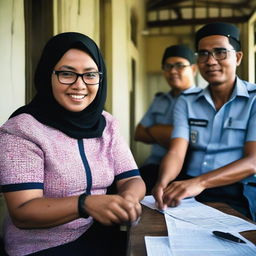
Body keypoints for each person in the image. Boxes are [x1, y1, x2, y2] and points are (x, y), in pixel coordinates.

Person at [0, 32, 146, 256]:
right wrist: (85, 204)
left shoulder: (107, 124)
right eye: (67, 74)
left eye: (90, 75)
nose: (80, 85)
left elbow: (131, 178)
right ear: (47, 75)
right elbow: (23, 212)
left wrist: (128, 199)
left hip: (102, 233)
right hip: (44, 247)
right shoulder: (22, 130)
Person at [153, 22, 256, 221]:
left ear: (238, 57)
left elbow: (253, 161)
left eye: (220, 52)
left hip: (238, 191)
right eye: (203, 54)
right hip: (190, 190)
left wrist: (200, 183)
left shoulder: (254, 99)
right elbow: (176, 151)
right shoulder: (187, 100)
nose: (210, 61)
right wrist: (163, 181)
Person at [134, 45, 197, 194]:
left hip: (187, 172)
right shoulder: (160, 99)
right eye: (168, 66)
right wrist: (169, 134)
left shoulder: (202, 100)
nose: (173, 71)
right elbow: (139, 133)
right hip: (153, 166)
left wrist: (153, 130)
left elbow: (195, 143)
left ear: (193, 69)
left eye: (180, 65)